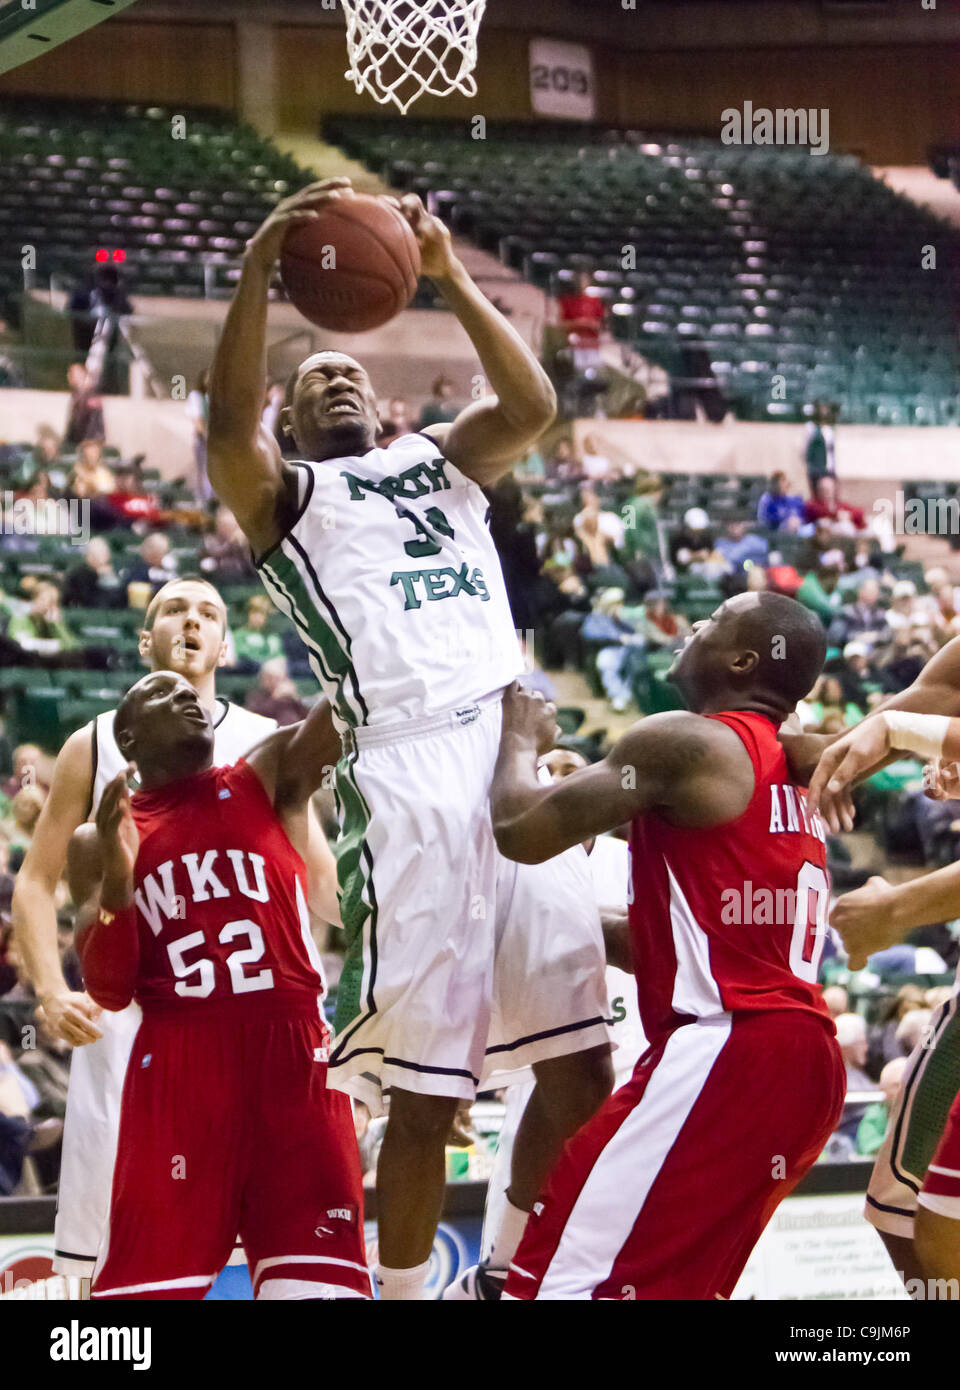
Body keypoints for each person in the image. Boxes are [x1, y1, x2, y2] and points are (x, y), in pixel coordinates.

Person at [207, 178, 612, 1302]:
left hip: (511, 748)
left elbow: (530, 407)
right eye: (311, 380)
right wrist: (253, 273)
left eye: (348, 369)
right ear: (291, 422)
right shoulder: (288, 497)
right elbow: (225, 428)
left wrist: (451, 278)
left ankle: (516, 1277)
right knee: (429, 1094)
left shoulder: (438, 457)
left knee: (583, 1068)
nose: (336, 376)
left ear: (380, 399)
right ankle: (400, 1299)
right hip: (405, 774)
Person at [489, 591, 845, 1300]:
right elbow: (674, 944)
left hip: (727, 1052)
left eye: (711, 623)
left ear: (744, 660)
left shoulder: (688, 741)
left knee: (563, 1280)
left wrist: (520, 739)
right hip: (802, 1064)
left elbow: (520, 830)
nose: (691, 626)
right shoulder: (781, 773)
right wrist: (568, 916)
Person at [10, 577, 309, 1287]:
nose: (191, 620)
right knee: (113, 1258)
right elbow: (34, 880)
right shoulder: (96, 740)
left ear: (227, 643)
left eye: (209, 611)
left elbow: (310, 877)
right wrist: (51, 992)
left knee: (263, 1245)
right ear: (146, 641)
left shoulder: (266, 743)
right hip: (135, 1024)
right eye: (174, 609)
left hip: (250, 1021)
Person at [80, 674, 369, 1301]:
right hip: (182, 1064)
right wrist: (115, 875)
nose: (186, 695)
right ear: (126, 737)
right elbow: (106, 989)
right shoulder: (102, 836)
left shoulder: (263, 774)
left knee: (323, 1289)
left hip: (295, 1054)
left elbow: (351, 703)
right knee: (144, 1301)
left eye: (191, 691)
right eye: (161, 692)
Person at [62, 538, 125, 611]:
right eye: (93, 555)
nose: (97, 558)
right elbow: (91, 602)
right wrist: (99, 576)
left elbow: (122, 600)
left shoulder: (119, 572)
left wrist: (109, 577)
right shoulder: (78, 575)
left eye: (102, 553)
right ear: (87, 557)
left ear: (108, 555)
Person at [233, 595, 284, 670]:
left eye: (262, 613)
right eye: (254, 612)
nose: (257, 617)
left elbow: (280, 656)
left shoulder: (273, 636)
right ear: (247, 614)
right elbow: (243, 658)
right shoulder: (239, 635)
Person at [63, 366, 105, 450]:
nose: (68, 376)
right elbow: (73, 424)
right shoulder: (76, 395)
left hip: (90, 445)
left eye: (72, 374)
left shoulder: (92, 394)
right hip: (77, 443)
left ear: (82, 375)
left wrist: (87, 444)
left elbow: (94, 423)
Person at [186, 369, 211, 505]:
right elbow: (198, 419)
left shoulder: (210, 396)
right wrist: (206, 436)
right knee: (203, 471)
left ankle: (210, 500)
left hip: (212, 439)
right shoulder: (196, 396)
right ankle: (202, 500)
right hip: (202, 439)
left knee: (211, 472)